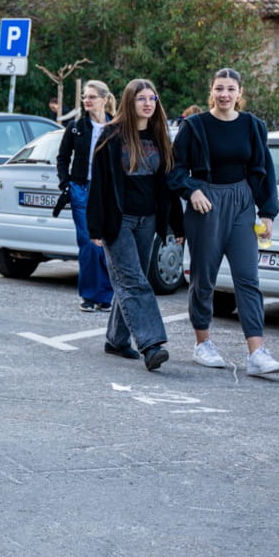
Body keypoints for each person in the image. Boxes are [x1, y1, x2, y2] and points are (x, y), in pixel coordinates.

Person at [168, 68, 279, 376]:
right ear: (212, 91)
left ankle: (256, 353)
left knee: (248, 278)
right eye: (219, 88)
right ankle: (202, 343)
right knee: (204, 278)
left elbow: (263, 171)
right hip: (206, 204)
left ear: (239, 93)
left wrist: (267, 213)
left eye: (231, 89)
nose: (224, 94)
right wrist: (191, 190)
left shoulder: (253, 126)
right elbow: (175, 170)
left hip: (242, 203)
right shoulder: (195, 126)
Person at [87, 79, 184, 371]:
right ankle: (151, 344)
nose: (147, 103)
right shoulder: (111, 135)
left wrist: (177, 227)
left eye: (152, 98)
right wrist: (95, 228)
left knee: (130, 281)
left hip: (148, 221)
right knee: (134, 282)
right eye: (141, 98)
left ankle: (116, 340)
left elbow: (167, 186)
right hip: (119, 222)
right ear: (130, 102)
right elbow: (100, 185)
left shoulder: (159, 136)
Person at [56, 80, 117, 312]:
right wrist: (66, 184)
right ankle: (90, 296)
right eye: (85, 96)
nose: (87, 100)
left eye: (92, 96)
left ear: (104, 99)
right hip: (81, 188)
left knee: (106, 243)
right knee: (89, 243)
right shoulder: (76, 126)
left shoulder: (116, 126)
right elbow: (62, 157)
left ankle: (106, 296)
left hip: (107, 192)